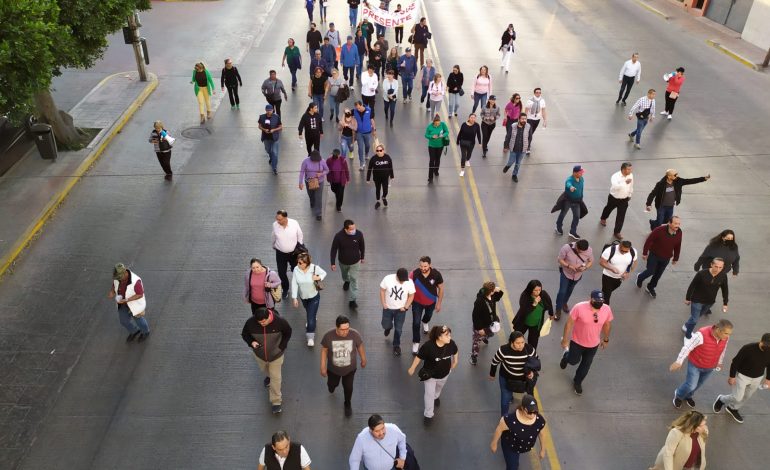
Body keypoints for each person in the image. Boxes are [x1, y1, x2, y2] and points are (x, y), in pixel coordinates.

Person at [670, 319, 732, 409]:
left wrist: (719, 362)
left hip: (710, 366)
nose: (728, 336)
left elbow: (723, 349)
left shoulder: (725, 338)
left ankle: (688, 396)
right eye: (726, 333)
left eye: (729, 334)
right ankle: (679, 395)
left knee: (699, 384)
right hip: (695, 365)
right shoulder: (701, 334)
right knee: (691, 385)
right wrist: (679, 361)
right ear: (718, 330)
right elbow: (687, 347)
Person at [559, 290, 613, 395]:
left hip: (593, 345)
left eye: (601, 300)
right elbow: (569, 323)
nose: (599, 302)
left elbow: (607, 325)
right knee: (573, 361)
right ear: (591, 299)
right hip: (577, 342)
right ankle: (566, 356)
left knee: (586, 365)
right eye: (597, 300)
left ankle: (577, 382)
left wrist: (606, 339)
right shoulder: (579, 307)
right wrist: (565, 339)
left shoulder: (606, 309)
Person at [241, 306, 292, 414]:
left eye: (264, 321)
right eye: (259, 322)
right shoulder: (250, 323)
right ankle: (268, 376)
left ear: (269, 316)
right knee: (265, 370)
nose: (262, 324)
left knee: (276, 378)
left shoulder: (280, 321)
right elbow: (245, 334)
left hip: (276, 355)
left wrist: (281, 347)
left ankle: (276, 402)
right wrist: (251, 342)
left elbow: (288, 332)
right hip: (259, 355)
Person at [713, 333, 770, 424]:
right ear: (761, 341)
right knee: (737, 397)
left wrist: (768, 379)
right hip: (742, 376)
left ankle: (733, 408)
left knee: (747, 396)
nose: (767, 349)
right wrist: (732, 376)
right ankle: (721, 399)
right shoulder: (748, 348)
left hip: (758, 377)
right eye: (766, 346)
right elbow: (735, 362)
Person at [407, 325, 459, 425]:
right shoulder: (428, 346)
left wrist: (456, 361)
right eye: (447, 335)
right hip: (430, 376)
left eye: (450, 335)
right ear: (440, 337)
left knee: (439, 388)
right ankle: (428, 414)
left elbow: (455, 351)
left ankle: (437, 396)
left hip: (445, 374)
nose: (450, 337)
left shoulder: (451, 344)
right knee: (429, 395)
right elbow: (419, 357)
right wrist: (412, 368)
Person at [321, 315, 366, 417]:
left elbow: (360, 345)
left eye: (347, 329)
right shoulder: (328, 336)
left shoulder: (354, 334)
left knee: (348, 387)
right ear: (337, 328)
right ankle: (331, 386)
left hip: (350, 369)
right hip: (333, 369)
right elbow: (324, 350)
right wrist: (323, 366)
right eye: (343, 329)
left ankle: (347, 403)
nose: (346, 331)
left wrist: (363, 359)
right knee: (333, 384)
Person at [490, 394, 546, 470]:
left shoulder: (539, 420)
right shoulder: (509, 420)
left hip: (522, 446)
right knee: (512, 467)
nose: (533, 415)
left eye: (535, 412)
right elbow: (499, 429)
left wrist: (543, 449)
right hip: (510, 447)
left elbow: (542, 434)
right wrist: (494, 443)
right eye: (529, 412)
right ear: (523, 408)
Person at [490, 332, 538, 416]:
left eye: (522, 342)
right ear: (511, 342)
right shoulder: (503, 350)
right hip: (506, 378)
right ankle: (504, 418)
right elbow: (494, 362)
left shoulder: (529, 349)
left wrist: (532, 372)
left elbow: (535, 361)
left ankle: (511, 396)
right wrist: (492, 374)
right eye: (518, 343)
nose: (521, 345)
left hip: (523, 379)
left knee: (530, 395)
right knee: (505, 400)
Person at [645, 170, 710, 230]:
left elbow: (690, 181)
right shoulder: (660, 184)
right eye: (675, 175)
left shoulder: (678, 181)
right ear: (669, 176)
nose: (677, 176)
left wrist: (703, 178)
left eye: (677, 174)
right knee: (660, 222)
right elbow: (652, 194)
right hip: (661, 206)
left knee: (666, 221)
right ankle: (655, 230)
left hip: (670, 206)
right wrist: (648, 204)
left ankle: (653, 223)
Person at [637, 216, 683, 299]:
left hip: (666, 258)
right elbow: (649, 240)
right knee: (650, 271)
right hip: (654, 255)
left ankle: (650, 287)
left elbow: (678, 245)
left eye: (679, 223)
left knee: (658, 274)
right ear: (669, 223)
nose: (677, 225)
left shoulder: (679, 232)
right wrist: (644, 253)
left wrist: (676, 258)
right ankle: (640, 277)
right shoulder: (659, 230)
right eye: (675, 223)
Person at [683, 258, 728, 339]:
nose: (718, 269)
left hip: (710, 302)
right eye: (716, 266)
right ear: (711, 264)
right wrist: (688, 298)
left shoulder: (723, 276)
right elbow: (692, 285)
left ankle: (686, 325)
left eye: (720, 267)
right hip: (697, 300)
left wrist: (725, 303)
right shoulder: (701, 274)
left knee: (697, 316)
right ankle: (687, 335)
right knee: (695, 319)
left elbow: (725, 289)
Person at [409, 256, 445, 355]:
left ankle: (425, 322)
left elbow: (441, 288)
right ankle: (416, 342)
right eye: (421, 266)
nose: (423, 268)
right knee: (416, 323)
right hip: (417, 303)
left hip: (431, 302)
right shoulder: (414, 274)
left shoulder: (436, 274)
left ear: (430, 265)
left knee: (428, 316)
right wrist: (407, 302)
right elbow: (407, 287)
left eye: (425, 266)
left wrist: (439, 303)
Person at [291, 252, 327, 346]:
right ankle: (312, 315)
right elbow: (294, 283)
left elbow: (324, 273)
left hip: (314, 296)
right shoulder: (296, 269)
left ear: (306, 263)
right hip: (303, 296)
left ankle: (310, 337)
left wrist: (318, 277)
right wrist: (294, 298)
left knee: (310, 319)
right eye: (298, 262)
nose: (298, 264)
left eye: (300, 263)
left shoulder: (314, 268)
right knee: (309, 311)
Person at [107, 263, 150, 342]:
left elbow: (140, 294)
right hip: (122, 304)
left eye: (120, 277)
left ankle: (145, 332)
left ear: (125, 273)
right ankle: (134, 331)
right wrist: (112, 292)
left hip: (135, 304)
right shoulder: (118, 278)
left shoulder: (135, 281)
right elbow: (114, 285)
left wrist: (127, 300)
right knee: (123, 321)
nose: (118, 279)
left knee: (139, 320)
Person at [380, 268, 416, 357]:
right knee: (385, 324)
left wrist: (406, 307)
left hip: (401, 310)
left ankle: (396, 345)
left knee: (398, 329)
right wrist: (384, 303)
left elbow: (411, 295)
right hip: (388, 308)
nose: (403, 282)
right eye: (401, 280)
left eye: (404, 280)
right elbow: (382, 290)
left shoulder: (409, 282)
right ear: (397, 276)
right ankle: (388, 327)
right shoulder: (387, 279)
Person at [554, 238, 593, 319]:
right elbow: (559, 259)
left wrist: (585, 267)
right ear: (576, 246)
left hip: (577, 275)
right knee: (562, 291)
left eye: (582, 252)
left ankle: (564, 302)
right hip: (566, 273)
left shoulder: (589, 250)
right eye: (579, 251)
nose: (580, 253)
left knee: (570, 290)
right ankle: (558, 309)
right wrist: (569, 266)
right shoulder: (566, 248)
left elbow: (590, 261)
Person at [330, 219, 365, 309]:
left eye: (354, 228)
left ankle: (352, 300)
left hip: (355, 262)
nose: (354, 230)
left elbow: (362, 246)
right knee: (345, 275)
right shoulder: (338, 236)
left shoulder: (359, 234)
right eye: (351, 229)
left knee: (354, 279)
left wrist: (362, 257)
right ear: (345, 229)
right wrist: (332, 263)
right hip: (343, 262)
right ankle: (346, 280)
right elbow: (334, 249)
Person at [512, 280, 554, 350]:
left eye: (539, 290)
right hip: (523, 322)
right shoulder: (525, 296)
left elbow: (549, 303)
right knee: (516, 337)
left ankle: (531, 353)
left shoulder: (543, 294)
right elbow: (524, 310)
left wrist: (551, 313)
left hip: (536, 324)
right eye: (535, 290)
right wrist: (534, 304)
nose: (538, 292)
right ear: (530, 289)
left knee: (533, 342)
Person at [470, 281, 503, 365]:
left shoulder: (492, 295)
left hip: (491, 322)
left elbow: (498, 298)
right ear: (490, 291)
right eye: (493, 290)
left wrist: (499, 291)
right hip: (481, 325)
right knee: (476, 341)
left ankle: (485, 337)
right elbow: (475, 316)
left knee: (491, 334)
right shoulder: (479, 301)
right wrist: (479, 329)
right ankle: (474, 356)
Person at [272, 210, 304, 296]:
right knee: (281, 273)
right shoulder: (275, 225)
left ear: (285, 218)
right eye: (277, 219)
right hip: (280, 254)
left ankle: (299, 285)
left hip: (294, 253)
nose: (278, 221)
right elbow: (274, 236)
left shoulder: (294, 223)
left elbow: (300, 235)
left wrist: (300, 247)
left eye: (280, 219)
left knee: (296, 270)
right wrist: (273, 245)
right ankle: (285, 289)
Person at [599, 162, 634, 239]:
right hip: (614, 198)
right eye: (629, 169)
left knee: (621, 216)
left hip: (624, 200)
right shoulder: (615, 176)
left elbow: (631, 185)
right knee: (608, 208)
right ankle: (603, 218)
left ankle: (617, 232)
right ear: (623, 169)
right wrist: (624, 182)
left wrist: (630, 194)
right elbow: (615, 187)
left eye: (631, 169)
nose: (630, 171)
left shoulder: (630, 175)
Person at [599, 241, 637, 305]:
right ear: (619, 246)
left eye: (626, 251)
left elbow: (635, 263)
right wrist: (611, 268)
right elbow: (602, 262)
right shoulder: (609, 250)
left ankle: (600, 296)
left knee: (607, 291)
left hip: (620, 278)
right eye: (622, 250)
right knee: (607, 296)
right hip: (608, 276)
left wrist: (628, 272)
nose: (623, 253)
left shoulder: (633, 251)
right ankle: (605, 310)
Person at [555, 165, 586, 239]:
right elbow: (568, 184)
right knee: (563, 214)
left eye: (582, 172)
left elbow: (581, 189)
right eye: (580, 172)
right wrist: (571, 187)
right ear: (574, 173)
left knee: (577, 216)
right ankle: (558, 227)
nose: (582, 174)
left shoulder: (581, 179)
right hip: (568, 201)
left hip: (577, 201)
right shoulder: (569, 179)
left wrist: (581, 197)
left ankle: (572, 231)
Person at [299, 150, 329, 221]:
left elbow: (327, 170)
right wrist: (300, 182)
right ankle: (312, 201)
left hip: (319, 182)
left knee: (318, 197)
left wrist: (321, 174)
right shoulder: (305, 161)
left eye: (317, 160)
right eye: (314, 160)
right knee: (311, 194)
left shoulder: (322, 161)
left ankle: (318, 213)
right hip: (309, 181)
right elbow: (302, 172)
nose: (315, 161)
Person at [502, 112, 529, 182]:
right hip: (513, 148)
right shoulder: (513, 126)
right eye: (522, 119)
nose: (524, 120)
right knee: (511, 161)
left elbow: (530, 137)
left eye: (525, 119)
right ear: (519, 119)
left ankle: (514, 175)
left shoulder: (528, 126)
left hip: (522, 149)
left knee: (518, 163)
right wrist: (506, 146)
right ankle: (508, 166)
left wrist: (528, 146)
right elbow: (508, 136)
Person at [366, 143, 394, 209]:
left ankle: (384, 197)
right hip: (376, 178)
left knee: (385, 190)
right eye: (377, 151)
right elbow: (369, 169)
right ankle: (378, 201)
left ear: (383, 150)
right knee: (377, 189)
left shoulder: (387, 157)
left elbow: (390, 167)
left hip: (385, 178)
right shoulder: (373, 159)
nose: (379, 152)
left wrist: (392, 176)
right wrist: (368, 179)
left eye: (380, 150)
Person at [259, 104, 283, 175]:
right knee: (268, 150)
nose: (269, 112)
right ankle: (271, 157)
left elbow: (281, 127)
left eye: (270, 110)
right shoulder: (262, 117)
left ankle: (274, 167)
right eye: (267, 110)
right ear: (265, 110)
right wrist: (264, 129)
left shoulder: (276, 117)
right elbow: (259, 126)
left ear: (273, 110)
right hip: (266, 137)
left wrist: (274, 130)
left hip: (274, 138)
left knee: (275, 153)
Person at [424, 114, 448, 184]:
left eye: (438, 122)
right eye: (436, 123)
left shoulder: (443, 124)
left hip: (440, 146)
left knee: (438, 159)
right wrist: (431, 136)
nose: (437, 124)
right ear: (433, 122)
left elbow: (447, 132)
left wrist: (443, 135)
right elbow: (426, 135)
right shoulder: (429, 127)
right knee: (432, 160)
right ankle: (430, 177)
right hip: (432, 146)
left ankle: (436, 170)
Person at [353, 100, 376, 171]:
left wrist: (374, 129)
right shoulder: (354, 111)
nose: (358, 110)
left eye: (359, 108)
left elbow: (372, 120)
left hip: (367, 132)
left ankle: (366, 154)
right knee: (360, 148)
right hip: (359, 132)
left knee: (367, 145)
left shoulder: (369, 110)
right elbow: (346, 114)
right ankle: (361, 164)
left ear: (362, 105)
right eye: (357, 108)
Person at [455, 113, 481, 177]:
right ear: (469, 118)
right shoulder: (464, 124)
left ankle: (467, 160)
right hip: (463, 142)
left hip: (471, 143)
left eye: (474, 118)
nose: (472, 119)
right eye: (471, 117)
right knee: (463, 157)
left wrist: (480, 143)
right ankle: (462, 170)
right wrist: (458, 141)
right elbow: (460, 132)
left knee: (469, 155)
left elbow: (478, 134)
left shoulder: (477, 125)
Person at [524, 88, 546, 154]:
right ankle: (527, 148)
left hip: (537, 119)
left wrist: (545, 120)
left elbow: (543, 111)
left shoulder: (542, 101)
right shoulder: (530, 101)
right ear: (534, 93)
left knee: (531, 133)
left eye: (539, 92)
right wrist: (524, 119)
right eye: (537, 92)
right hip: (530, 119)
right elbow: (526, 110)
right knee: (530, 133)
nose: (538, 94)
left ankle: (525, 141)